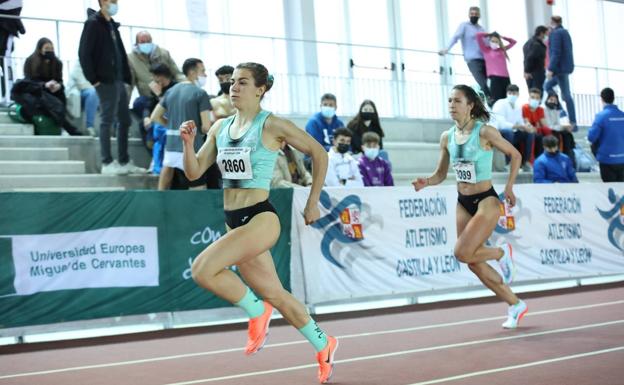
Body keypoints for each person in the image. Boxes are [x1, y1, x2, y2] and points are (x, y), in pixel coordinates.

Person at [179, 62, 337, 384]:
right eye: (232, 82)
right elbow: (194, 173)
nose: (234, 88)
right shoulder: (221, 128)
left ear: (260, 89)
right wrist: (186, 144)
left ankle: (255, 311)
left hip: (261, 218)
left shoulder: (272, 125)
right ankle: (324, 344)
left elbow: (319, 154)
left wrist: (312, 203)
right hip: (234, 223)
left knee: (202, 269)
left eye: (243, 82)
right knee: (277, 294)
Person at [412, 84, 526, 329]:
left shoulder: (484, 132)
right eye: (450, 100)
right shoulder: (447, 137)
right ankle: (515, 304)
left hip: (487, 200)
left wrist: (509, 187)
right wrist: (427, 182)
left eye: (457, 101)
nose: (452, 105)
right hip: (463, 202)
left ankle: (501, 253)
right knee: (472, 261)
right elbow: (441, 174)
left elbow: (515, 155)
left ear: (470, 105)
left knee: (461, 252)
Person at [79, 0, 145, 175]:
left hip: (118, 80)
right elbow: (84, 53)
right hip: (104, 81)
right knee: (107, 120)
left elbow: (120, 52)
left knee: (125, 120)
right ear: (101, 2)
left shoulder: (112, 25)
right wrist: (94, 79)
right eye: (111, 0)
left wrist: (126, 77)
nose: (114, 3)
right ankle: (106, 162)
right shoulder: (93, 24)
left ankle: (123, 161)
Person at [150, 58, 210, 190]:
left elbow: (155, 116)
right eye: (203, 71)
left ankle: (160, 207)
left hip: (171, 145)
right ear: (192, 72)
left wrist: (171, 125)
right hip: (192, 148)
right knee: (198, 189)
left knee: (165, 183)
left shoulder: (171, 91)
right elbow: (206, 127)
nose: (205, 75)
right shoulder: (200, 94)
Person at [23, 37, 82, 135]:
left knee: (60, 96)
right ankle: (68, 127)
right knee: (47, 101)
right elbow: (29, 81)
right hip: (37, 88)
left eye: (51, 49)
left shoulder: (57, 62)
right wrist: (44, 85)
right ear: (40, 49)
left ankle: (65, 126)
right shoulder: (31, 60)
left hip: (53, 89)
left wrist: (58, 85)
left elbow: (60, 80)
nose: (49, 51)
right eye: (46, 48)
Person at [439, 6, 490, 100]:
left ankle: (485, 100)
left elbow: (487, 44)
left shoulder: (482, 29)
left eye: (476, 14)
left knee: (489, 82)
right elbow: (455, 38)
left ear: (479, 15)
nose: (474, 15)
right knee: (482, 82)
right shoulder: (464, 26)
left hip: (484, 60)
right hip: (472, 59)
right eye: (472, 14)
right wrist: (446, 49)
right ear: (469, 15)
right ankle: (489, 99)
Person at [544, 16, 576, 129]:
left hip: (559, 69)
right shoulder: (565, 32)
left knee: (565, 94)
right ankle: (567, 117)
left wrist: (550, 68)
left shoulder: (556, 33)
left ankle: (570, 120)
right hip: (565, 67)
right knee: (550, 87)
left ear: (552, 22)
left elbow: (556, 52)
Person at [146, 63, 178, 175]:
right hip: (159, 119)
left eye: (154, 76)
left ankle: (157, 166)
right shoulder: (156, 87)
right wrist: (146, 117)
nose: (153, 79)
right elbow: (149, 104)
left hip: (173, 119)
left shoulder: (175, 87)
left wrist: (159, 94)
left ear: (161, 76)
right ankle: (156, 164)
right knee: (151, 127)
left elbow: (170, 106)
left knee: (159, 131)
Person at [588, 87, 624, 182]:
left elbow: (591, 137)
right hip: (622, 159)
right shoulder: (622, 115)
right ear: (613, 98)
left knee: (610, 190)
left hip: (607, 160)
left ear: (602, 99)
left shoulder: (601, 116)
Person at [491, 84, 526, 171]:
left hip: (512, 131)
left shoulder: (518, 106)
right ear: (507, 93)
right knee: (509, 132)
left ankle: (524, 162)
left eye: (514, 93)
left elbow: (520, 121)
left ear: (518, 94)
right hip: (498, 132)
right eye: (510, 93)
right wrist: (516, 126)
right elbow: (501, 123)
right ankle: (508, 163)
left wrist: (526, 127)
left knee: (528, 134)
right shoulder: (500, 103)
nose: (512, 95)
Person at [475, 31, 516, 104]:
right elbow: (478, 36)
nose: (494, 43)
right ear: (489, 41)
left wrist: (502, 37)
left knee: (507, 100)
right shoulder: (486, 50)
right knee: (496, 100)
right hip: (494, 79)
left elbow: (513, 42)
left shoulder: (502, 50)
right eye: (492, 41)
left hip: (506, 78)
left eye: (496, 41)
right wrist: (488, 34)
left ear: (499, 42)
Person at [0, 0, 25, 105]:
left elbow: (16, 4)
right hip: (5, 28)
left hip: (6, 30)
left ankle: (8, 95)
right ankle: (6, 95)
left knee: (6, 63)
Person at [66, 61, 99, 136]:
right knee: (93, 93)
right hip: (80, 92)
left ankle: (116, 128)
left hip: (94, 90)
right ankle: (89, 126)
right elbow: (82, 84)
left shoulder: (99, 64)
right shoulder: (79, 64)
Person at [543, 92, 575, 167]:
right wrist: (562, 127)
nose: (553, 102)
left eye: (555, 100)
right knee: (558, 135)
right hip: (548, 130)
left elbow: (557, 124)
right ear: (547, 100)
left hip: (556, 129)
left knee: (568, 134)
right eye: (551, 99)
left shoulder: (556, 110)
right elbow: (549, 125)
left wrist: (565, 127)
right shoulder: (543, 110)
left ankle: (569, 159)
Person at [522, 88, 552, 160]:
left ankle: (550, 156)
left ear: (540, 100)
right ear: (529, 98)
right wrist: (536, 126)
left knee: (548, 132)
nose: (535, 100)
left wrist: (538, 127)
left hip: (537, 131)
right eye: (532, 97)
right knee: (537, 136)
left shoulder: (540, 109)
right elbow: (527, 123)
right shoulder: (525, 107)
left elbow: (544, 125)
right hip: (527, 130)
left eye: (537, 98)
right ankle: (532, 160)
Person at [523, 26, 548, 95]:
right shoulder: (537, 45)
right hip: (536, 73)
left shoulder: (528, 42)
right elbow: (530, 58)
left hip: (529, 73)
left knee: (532, 93)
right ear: (541, 33)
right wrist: (527, 71)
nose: (547, 36)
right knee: (537, 94)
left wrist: (526, 71)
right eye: (546, 33)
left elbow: (526, 59)